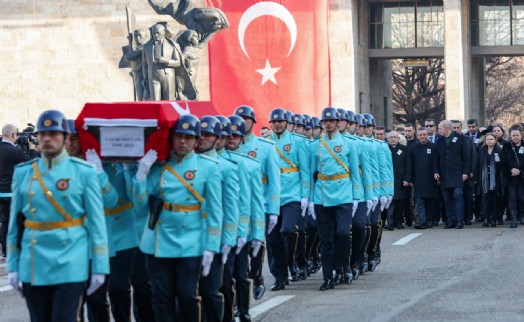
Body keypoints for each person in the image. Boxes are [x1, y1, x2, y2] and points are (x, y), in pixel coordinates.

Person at [7, 110, 109, 322]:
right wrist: (14, 265)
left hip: (71, 261)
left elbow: (97, 223)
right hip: (34, 262)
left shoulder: (84, 171)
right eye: (42, 134)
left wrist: (99, 266)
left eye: (53, 133)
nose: (46, 138)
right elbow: (15, 224)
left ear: (64, 137)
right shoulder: (24, 172)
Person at [132, 114, 223, 322]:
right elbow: (140, 206)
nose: (183, 141)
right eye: (179, 136)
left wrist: (212, 246)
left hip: (191, 240)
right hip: (159, 241)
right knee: (161, 297)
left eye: (189, 137)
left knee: (187, 295)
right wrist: (140, 175)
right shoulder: (158, 167)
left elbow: (215, 211)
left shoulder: (208, 167)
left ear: (196, 140)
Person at [309, 107, 363, 290]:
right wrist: (308, 199)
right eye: (326, 121)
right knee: (326, 238)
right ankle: (328, 276)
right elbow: (310, 175)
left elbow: (355, 173)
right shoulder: (314, 146)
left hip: (344, 194)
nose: (329, 123)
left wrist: (357, 197)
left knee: (341, 233)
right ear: (322, 124)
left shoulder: (349, 144)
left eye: (332, 120)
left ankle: (343, 266)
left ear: (338, 122)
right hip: (322, 195)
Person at [196, 115, 240, 322]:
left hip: (220, 237)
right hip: (191, 236)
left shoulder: (227, 168)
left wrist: (229, 239)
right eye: (200, 134)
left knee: (218, 287)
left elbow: (231, 208)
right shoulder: (185, 164)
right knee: (191, 293)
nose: (202, 139)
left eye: (209, 135)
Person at [234, 105, 280, 300]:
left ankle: (258, 275)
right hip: (234, 205)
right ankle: (242, 286)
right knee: (239, 248)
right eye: (239, 119)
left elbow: (274, 182)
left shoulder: (266, 147)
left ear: (253, 122)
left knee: (256, 242)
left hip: (258, 203)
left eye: (246, 119)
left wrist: (274, 210)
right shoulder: (230, 146)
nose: (243, 122)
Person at [223, 115, 265, 322]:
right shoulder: (216, 161)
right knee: (225, 276)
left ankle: (244, 309)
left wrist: (257, 234)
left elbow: (257, 203)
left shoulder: (251, 165)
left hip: (243, 229)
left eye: (236, 136)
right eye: (228, 135)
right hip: (221, 228)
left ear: (242, 138)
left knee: (240, 274)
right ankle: (229, 312)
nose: (231, 139)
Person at [267, 108, 311, 289]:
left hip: (292, 193)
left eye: (280, 121)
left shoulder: (298, 142)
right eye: (274, 122)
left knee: (288, 230)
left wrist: (305, 195)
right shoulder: (264, 142)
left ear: (287, 123)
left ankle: (291, 261)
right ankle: (279, 276)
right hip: (270, 195)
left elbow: (305, 171)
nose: (277, 124)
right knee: (272, 238)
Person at [0, 124, 39, 259]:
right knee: (16, 222)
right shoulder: (14, 151)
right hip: (12, 192)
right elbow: (32, 163)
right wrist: (33, 149)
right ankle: (16, 249)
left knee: (4, 222)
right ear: (12, 135)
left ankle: (6, 251)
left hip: (1, 192)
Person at [434, 120, 470, 229]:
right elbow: (436, 158)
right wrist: (436, 171)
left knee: (458, 196)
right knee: (447, 199)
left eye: (440, 128)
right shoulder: (439, 141)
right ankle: (451, 220)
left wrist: (465, 172)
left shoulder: (461, 139)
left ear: (447, 128)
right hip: (444, 174)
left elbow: (466, 158)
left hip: (457, 174)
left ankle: (459, 220)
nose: (438, 130)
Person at [142, 23, 182, 101]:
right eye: (154, 33)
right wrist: (145, 77)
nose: (156, 35)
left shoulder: (172, 45)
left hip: (167, 76)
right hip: (153, 76)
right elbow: (144, 63)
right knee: (155, 101)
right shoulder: (147, 46)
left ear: (164, 32)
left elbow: (178, 62)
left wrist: (165, 60)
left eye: (158, 33)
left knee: (169, 101)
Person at [410, 127, 438, 229]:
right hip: (418, 179)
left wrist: (436, 173)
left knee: (430, 201)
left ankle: (429, 220)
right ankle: (422, 222)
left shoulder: (434, 147)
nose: (422, 136)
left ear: (427, 135)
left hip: (431, 178)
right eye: (420, 135)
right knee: (419, 201)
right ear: (417, 136)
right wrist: (410, 179)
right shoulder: (413, 148)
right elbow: (411, 165)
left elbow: (436, 162)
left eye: (424, 134)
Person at [451, 120, 478, 225]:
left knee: (467, 195)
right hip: (454, 173)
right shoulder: (448, 140)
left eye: (458, 127)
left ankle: (467, 217)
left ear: (461, 128)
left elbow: (473, 156)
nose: (456, 129)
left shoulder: (468, 139)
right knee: (456, 196)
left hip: (466, 172)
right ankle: (457, 217)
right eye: (454, 128)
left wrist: (471, 170)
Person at [474, 133, 503, 227]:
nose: (489, 141)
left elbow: (502, 165)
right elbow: (477, 165)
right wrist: (475, 178)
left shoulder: (499, 150)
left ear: (495, 140)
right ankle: (486, 219)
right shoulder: (481, 151)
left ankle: (494, 219)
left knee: (494, 200)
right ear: (485, 141)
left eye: (491, 139)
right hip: (484, 180)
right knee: (484, 200)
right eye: (487, 139)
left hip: (496, 180)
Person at [386, 131, 411, 229]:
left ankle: (399, 222)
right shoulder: (385, 149)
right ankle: (390, 223)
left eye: (395, 137)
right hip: (388, 180)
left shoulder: (404, 149)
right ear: (387, 139)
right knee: (389, 202)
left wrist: (407, 179)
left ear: (398, 139)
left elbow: (408, 166)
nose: (393, 139)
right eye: (390, 137)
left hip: (400, 180)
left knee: (400, 203)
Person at [501, 127, 524, 228]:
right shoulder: (506, 146)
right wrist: (511, 170)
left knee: (522, 198)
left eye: (517, 135)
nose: (515, 137)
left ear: (521, 135)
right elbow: (503, 161)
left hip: (522, 177)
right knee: (512, 198)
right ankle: (514, 219)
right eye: (513, 135)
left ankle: (522, 216)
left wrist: (520, 170)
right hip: (510, 177)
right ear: (510, 136)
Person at [125, 28, 150, 101]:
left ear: (145, 37)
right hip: (137, 76)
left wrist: (130, 42)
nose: (137, 38)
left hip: (143, 76)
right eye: (136, 36)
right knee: (140, 98)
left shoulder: (144, 48)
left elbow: (129, 57)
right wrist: (130, 42)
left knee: (143, 98)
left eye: (140, 35)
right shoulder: (137, 48)